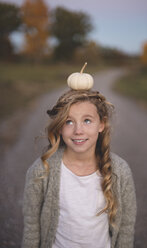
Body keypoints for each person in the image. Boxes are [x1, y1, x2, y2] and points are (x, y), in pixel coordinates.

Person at [22, 66, 136, 248]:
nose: (78, 130)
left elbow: (127, 227)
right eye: (68, 121)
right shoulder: (42, 171)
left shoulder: (120, 170)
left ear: (102, 124)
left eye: (87, 120)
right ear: (59, 126)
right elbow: (31, 227)